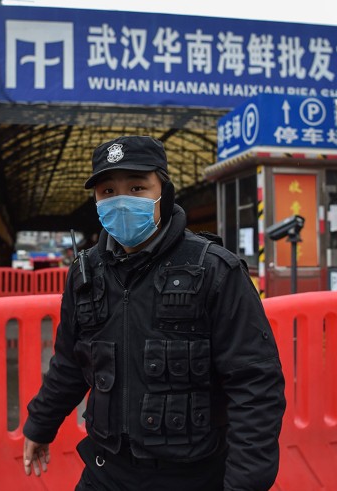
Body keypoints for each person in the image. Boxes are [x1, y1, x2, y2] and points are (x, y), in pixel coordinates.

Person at [22, 135, 286, 490]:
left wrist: (244, 483)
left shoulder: (213, 270)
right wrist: (41, 424)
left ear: (164, 192)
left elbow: (255, 384)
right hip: (106, 470)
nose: (121, 201)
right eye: (107, 192)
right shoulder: (86, 273)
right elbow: (70, 362)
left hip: (192, 476)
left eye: (137, 187)